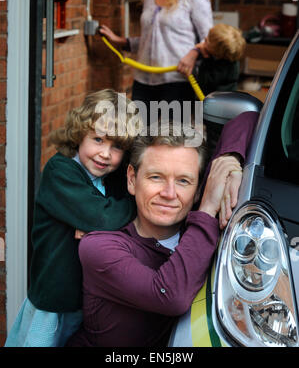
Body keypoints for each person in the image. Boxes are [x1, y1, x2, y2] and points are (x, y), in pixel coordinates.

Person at [66, 112, 258, 348]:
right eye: (156, 177)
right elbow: (171, 296)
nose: (169, 194)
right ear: (132, 179)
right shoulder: (100, 246)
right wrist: (207, 208)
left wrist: (228, 159)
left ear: (199, 189)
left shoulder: (198, 224)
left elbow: (247, 118)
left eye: (183, 181)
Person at [5, 89, 138, 347]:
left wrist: (100, 225)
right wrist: (119, 214)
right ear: (79, 134)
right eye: (98, 139)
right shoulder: (60, 170)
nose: (105, 154)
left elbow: (104, 219)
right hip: (53, 301)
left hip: (87, 301)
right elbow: (103, 217)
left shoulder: (113, 177)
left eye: (117, 146)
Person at [99, 0, 213, 112]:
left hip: (177, 83)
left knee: (171, 138)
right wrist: (121, 41)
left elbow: (211, 41)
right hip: (143, 83)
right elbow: (151, 39)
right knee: (138, 137)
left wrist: (194, 52)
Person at [177, 23, 246, 95]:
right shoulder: (221, 56)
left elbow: (203, 81)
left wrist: (194, 69)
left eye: (207, 41)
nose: (205, 39)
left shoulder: (224, 69)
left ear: (217, 54)